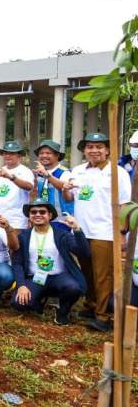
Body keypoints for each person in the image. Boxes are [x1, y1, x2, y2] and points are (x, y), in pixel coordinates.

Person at [64, 132, 132, 332]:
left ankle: (102, 317)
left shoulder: (117, 173)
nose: (94, 151)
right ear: (84, 150)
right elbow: (69, 198)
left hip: (104, 232)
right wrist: (65, 189)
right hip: (81, 230)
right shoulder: (78, 170)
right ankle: (91, 305)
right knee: (88, 272)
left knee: (103, 275)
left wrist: (121, 233)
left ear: (107, 150)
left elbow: (125, 205)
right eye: (90, 147)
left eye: (99, 147)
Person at [11, 199, 89, 326]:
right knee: (19, 303)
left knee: (74, 288)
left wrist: (77, 230)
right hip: (35, 278)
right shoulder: (23, 236)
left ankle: (63, 311)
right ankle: (39, 301)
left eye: (42, 212)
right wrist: (21, 285)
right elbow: (17, 263)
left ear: (50, 215)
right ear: (29, 216)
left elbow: (84, 253)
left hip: (59, 277)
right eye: (33, 212)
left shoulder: (62, 235)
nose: (37, 214)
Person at [0, 141, 34, 230]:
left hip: (17, 220)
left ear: (19, 155)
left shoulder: (25, 171)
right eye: (5, 153)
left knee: (15, 244)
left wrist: (11, 177)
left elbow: (29, 187)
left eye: (11, 153)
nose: (7, 156)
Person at [33, 139, 74, 231]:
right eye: (41, 153)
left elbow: (65, 186)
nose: (44, 156)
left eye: (48, 153)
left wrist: (47, 175)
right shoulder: (39, 173)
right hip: (43, 220)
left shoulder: (64, 173)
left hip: (62, 221)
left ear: (57, 155)